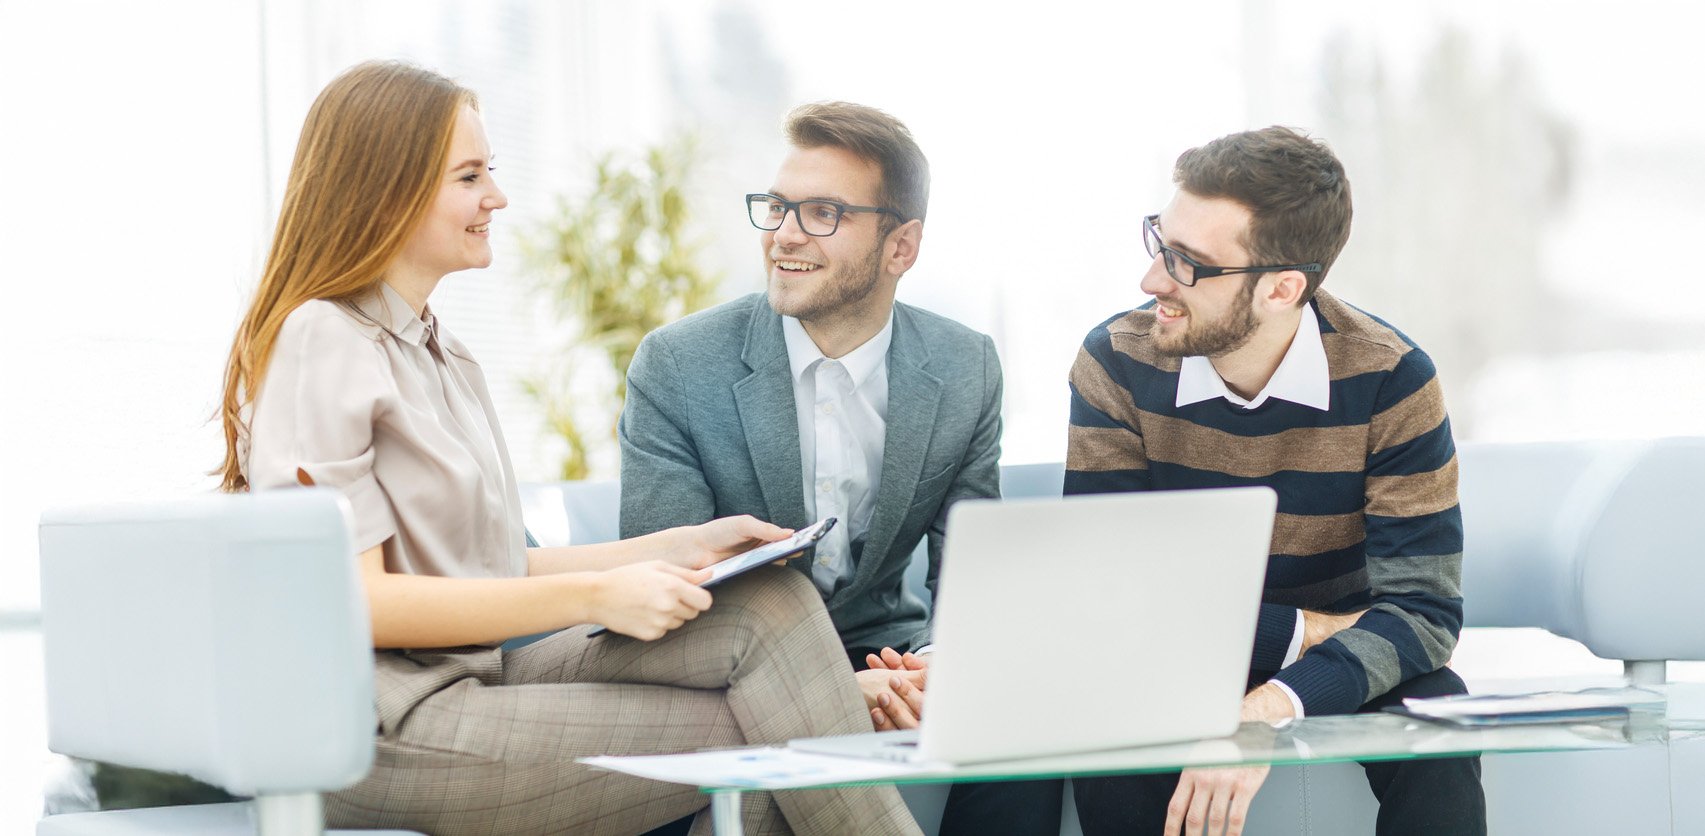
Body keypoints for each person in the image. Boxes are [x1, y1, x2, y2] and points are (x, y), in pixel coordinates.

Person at [217, 60, 922, 836]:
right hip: (373, 730)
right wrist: (596, 596)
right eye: (470, 176)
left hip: (471, 675)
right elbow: (350, 602)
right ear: (390, 187)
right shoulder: (323, 338)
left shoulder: (439, 351)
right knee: (775, 719)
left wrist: (682, 546)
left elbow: (481, 568)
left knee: (768, 603)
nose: (497, 196)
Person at [618, 102, 1056, 834]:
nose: (784, 235)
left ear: (900, 246)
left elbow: (972, 565)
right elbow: (667, 594)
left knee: (1024, 719)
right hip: (725, 663)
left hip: (885, 647)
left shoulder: (964, 365)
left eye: (822, 213)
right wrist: (825, 693)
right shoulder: (677, 364)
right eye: (778, 208)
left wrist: (941, 666)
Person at [1064, 127, 1487, 836]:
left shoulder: (1390, 378)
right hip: (1170, 655)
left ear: (1282, 287)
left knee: (1438, 727)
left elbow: (1422, 614)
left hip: (1343, 662)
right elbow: (1108, 596)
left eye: (1187, 264)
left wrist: (1269, 705)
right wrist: (1300, 634)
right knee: (1112, 721)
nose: (1151, 281)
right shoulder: (1115, 362)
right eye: (1158, 243)